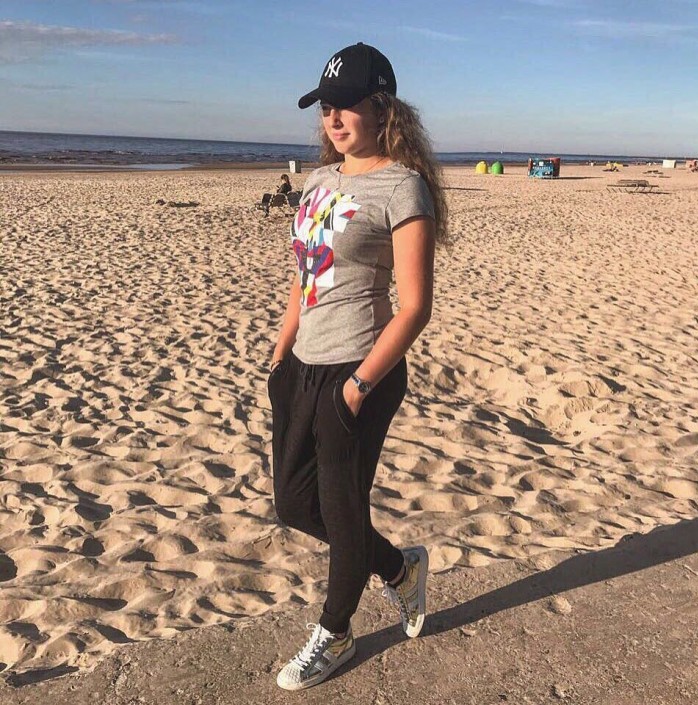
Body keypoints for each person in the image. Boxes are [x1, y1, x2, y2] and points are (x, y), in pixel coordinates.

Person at [267, 41, 449, 691]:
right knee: (293, 503)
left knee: (343, 512)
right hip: (303, 366)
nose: (333, 118)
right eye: (325, 107)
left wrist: (357, 386)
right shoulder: (318, 182)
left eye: (345, 105)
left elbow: (415, 306)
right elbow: (304, 276)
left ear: (381, 108)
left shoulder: (402, 187)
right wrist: (280, 354)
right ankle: (399, 568)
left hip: (359, 367)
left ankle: (336, 632)